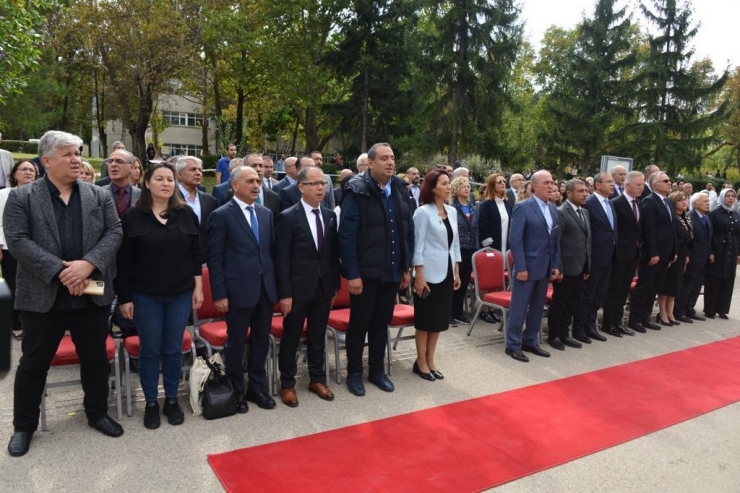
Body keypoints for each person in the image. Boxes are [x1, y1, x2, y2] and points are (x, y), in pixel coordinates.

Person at [5, 131, 123, 457]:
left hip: (91, 289)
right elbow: (17, 241)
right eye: (68, 154)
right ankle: (24, 427)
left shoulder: (97, 195)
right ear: (46, 161)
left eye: (78, 152)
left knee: (95, 358)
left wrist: (87, 265)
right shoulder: (22, 198)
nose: (76, 159)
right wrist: (62, 270)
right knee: (33, 363)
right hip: (42, 293)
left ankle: (97, 413)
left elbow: (114, 232)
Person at [115, 163, 203, 429]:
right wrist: (125, 298)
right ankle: (152, 402)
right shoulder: (132, 217)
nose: (166, 183)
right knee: (151, 350)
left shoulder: (186, 215)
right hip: (145, 296)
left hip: (179, 294)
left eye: (170, 179)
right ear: (147, 183)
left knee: (174, 349)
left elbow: (196, 254)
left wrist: (198, 287)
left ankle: (172, 400)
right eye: (160, 179)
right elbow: (124, 262)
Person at [339, 143, 414, 396]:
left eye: (392, 157)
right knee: (359, 324)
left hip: (392, 270)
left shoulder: (401, 190)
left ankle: (377, 371)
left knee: (381, 323)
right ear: (370, 163)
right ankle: (354, 373)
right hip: (365, 274)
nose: (390, 162)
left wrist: (406, 267)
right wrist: (353, 273)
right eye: (384, 158)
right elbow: (346, 236)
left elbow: (407, 232)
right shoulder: (357, 190)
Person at [207, 165, 278, 412]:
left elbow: (269, 252)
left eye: (257, 181)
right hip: (237, 292)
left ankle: (256, 388)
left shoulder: (266, 213)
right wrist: (220, 294)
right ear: (235, 185)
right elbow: (215, 259)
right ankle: (236, 389)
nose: (256, 185)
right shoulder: (221, 215)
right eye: (250, 181)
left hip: (265, 291)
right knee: (235, 344)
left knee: (261, 341)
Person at [275, 166, 340, 407]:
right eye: (314, 184)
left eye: (323, 183)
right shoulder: (288, 216)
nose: (321, 187)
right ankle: (288, 384)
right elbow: (282, 259)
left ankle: (317, 378)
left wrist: (333, 286)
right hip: (297, 289)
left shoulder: (330, 215)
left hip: (323, 288)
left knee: (317, 335)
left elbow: (332, 255)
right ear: (301, 187)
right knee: (291, 337)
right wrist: (285, 293)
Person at [505, 171, 560, 363]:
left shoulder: (553, 209)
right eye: (546, 182)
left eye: (552, 182)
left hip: (544, 267)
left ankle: (530, 340)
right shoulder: (523, 207)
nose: (550, 186)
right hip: (526, 268)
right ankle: (512, 345)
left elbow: (555, 241)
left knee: (537, 307)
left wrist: (555, 265)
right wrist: (520, 267)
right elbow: (515, 240)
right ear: (534, 186)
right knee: (519, 308)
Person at [412, 169, 461, 380]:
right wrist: (419, 276)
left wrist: (457, 270)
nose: (448, 186)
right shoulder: (423, 212)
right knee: (425, 320)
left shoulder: (452, 211)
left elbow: (455, 244)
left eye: (448, 182)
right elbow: (418, 247)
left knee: (440, 320)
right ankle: (420, 361)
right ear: (432, 188)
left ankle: (431, 359)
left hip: (448, 271)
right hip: (428, 274)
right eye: (443, 183)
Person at [628, 172, 676, 332]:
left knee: (655, 287)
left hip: (665, 252)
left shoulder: (668, 202)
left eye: (669, 180)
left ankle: (645, 317)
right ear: (654, 185)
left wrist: (673, 251)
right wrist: (653, 253)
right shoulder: (649, 201)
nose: (669, 183)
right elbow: (648, 230)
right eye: (665, 181)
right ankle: (635, 319)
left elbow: (672, 228)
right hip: (653, 254)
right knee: (644, 286)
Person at [573, 172, 618, 340]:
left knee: (599, 294)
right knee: (587, 294)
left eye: (613, 182)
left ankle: (591, 325)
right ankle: (579, 328)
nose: (612, 184)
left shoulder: (610, 204)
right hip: (594, 257)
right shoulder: (589, 203)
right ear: (598, 185)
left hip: (609, 256)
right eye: (609, 182)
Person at [547, 179, 590, 351]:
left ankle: (565, 334)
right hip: (566, 268)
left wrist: (588, 266)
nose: (585, 194)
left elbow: (588, 242)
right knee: (560, 303)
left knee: (573, 302)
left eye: (586, 191)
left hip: (580, 266)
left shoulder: (585, 212)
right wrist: (559, 268)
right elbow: (556, 242)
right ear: (569, 193)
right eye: (581, 191)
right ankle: (554, 335)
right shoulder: (561, 212)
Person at [0, 160, 39, 339]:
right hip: (10, 248)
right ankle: (15, 324)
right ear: (14, 174)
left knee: (35, 287)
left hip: (36, 249)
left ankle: (32, 321)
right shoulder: (4, 195)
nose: (28, 172)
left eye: (32, 170)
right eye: (24, 169)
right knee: (14, 285)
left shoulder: (40, 194)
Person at [602, 171, 645, 336]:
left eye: (642, 184)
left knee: (624, 289)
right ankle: (608, 322)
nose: (641, 188)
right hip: (619, 253)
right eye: (638, 184)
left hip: (633, 253)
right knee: (614, 289)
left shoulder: (639, 203)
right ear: (627, 185)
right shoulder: (616, 203)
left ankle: (618, 321)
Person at [477, 173, 512, 324]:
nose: (503, 184)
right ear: (492, 185)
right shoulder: (486, 204)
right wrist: (488, 247)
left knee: (499, 277)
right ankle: (484, 309)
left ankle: (493, 308)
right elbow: (483, 226)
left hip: (505, 244)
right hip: (492, 246)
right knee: (489, 276)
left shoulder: (507, 204)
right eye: (499, 182)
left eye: (504, 181)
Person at [674, 193, 713, 322]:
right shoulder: (690, 216)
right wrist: (688, 256)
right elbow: (688, 239)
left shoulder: (706, 218)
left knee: (696, 286)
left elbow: (708, 239)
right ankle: (679, 311)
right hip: (693, 257)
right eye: (704, 201)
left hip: (704, 257)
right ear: (696, 204)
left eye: (708, 201)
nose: (708, 203)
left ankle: (689, 308)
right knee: (687, 285)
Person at [656, 191, 692, 326]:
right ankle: (663, 312)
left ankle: (670, 311)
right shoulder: (672, 218)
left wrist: (687, 254)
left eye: (685, 199)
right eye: (679, 200)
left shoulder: (686, 217)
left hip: (683, 253)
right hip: (672, 253)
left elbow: (689, 238)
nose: (684, 202)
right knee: (667, 284)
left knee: (676, 284)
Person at [704, 188, 740, 319]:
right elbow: (709, 234)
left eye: (733, 196)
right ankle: (710, 309)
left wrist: (738, 253)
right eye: (728, 196)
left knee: (728, 279)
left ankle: (722, 309)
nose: (730, 198)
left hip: (732, 248)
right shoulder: (714, 214)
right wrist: (711, 252)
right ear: (722, 197)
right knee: (715, 278)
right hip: (718, 249)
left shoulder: (736, 215)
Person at [175, 156, 218, 262]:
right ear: (179, 175)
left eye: (200, 170)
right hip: (177, 260)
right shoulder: (171, 199)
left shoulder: (210, 201)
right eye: (193, 169)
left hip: (204, 260)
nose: (198, 173)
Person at [450, 176, 477, 325]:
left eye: (468, 186)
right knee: (455, 280)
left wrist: (477, 247)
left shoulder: (473, 208)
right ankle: (449, 312)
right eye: (463, 186)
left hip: (471, 248)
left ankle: (458, 312)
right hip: (458, 248)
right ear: (456, 189)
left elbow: (476, 229)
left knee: (465, 281)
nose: (467, 188)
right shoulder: (452, 207)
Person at [101, 149, 141, 217]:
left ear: (131, 168)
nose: (113, 164)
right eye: (110, 161)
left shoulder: (142, 195)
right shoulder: (98, 194)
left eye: (119, 161)